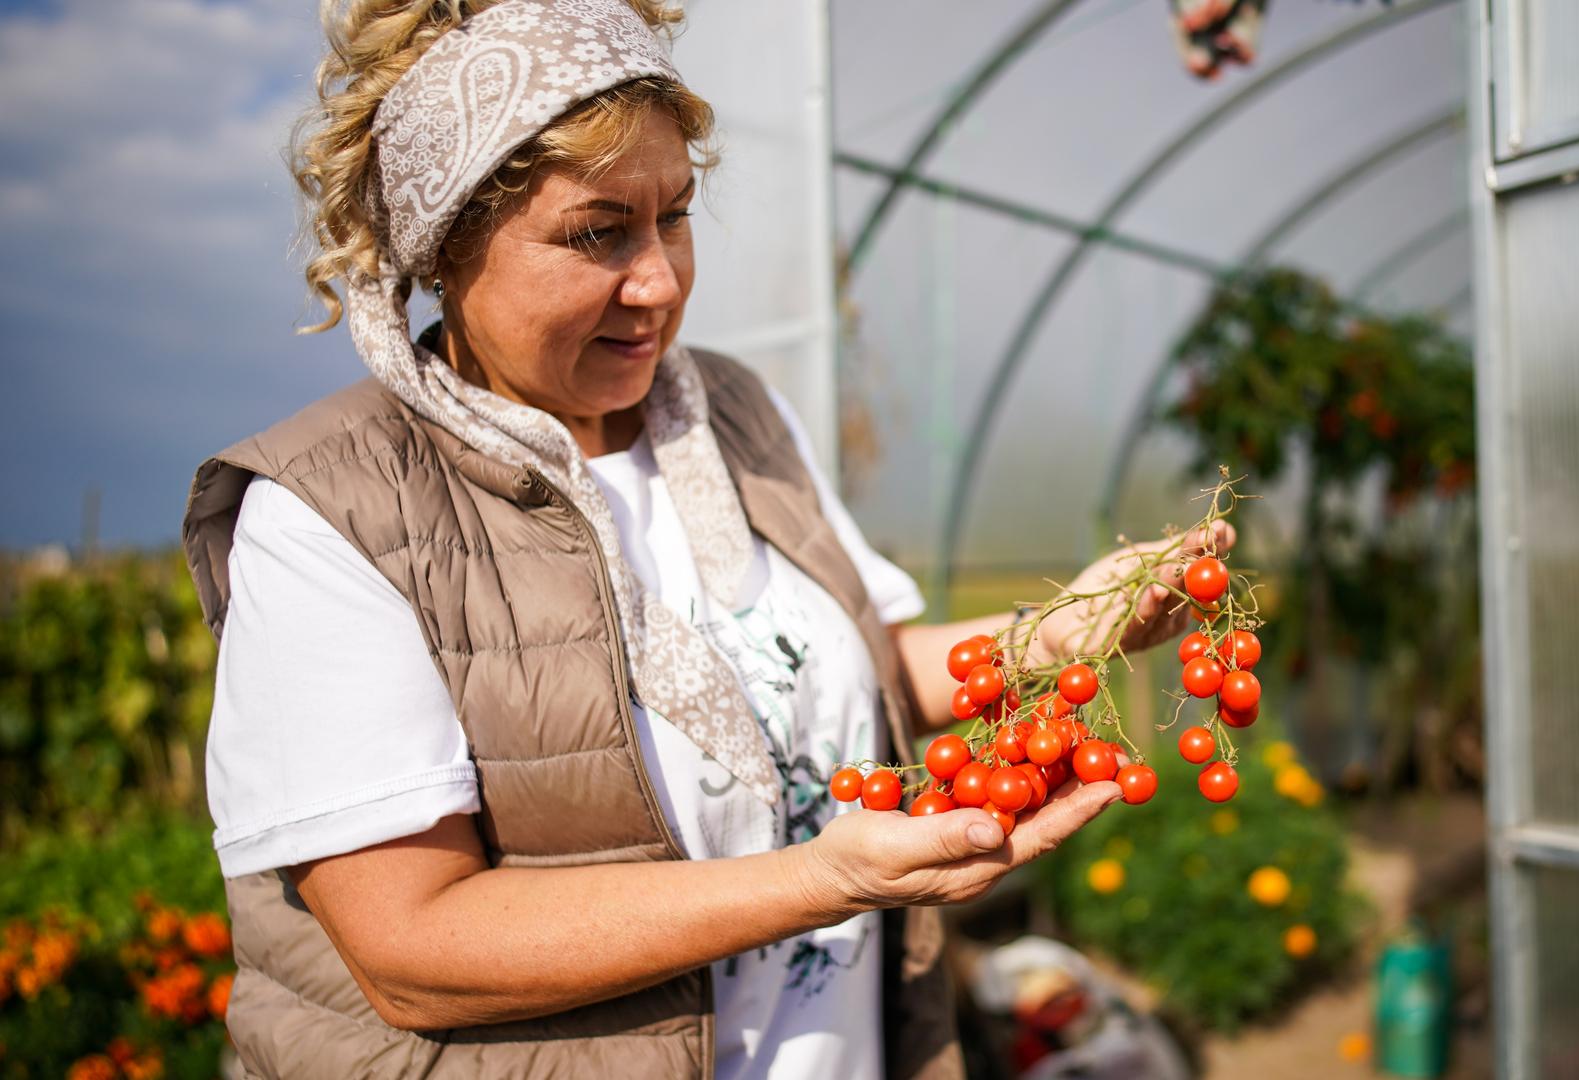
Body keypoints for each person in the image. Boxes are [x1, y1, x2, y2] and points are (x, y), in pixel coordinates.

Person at [181, 2, 1232, 1077]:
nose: (661, 282)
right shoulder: (333, 511)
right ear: (446, 241)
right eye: (598, 233)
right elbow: (413, 949)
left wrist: (1055, 636)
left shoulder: (731, 413)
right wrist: (826, 880)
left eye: (674, 216)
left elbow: (869, 670)